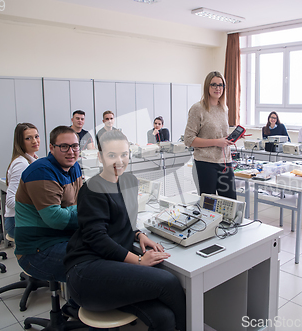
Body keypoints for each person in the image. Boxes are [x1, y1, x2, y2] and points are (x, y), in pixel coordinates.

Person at [64, 130, 186, 331]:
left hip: (112, 266)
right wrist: (138, 260)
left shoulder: (129, 182)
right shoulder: (92, 189)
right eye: (112, 155)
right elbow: (97, 238)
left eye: (124, 154)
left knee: (163, 317)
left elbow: (125, 221)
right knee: (168, 282)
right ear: (100, 156)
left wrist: (139, 235)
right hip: (87, 272)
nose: (119, 161)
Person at [14, 125, 82, 283]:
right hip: (37, 249)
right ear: (51, 148)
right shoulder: (41, 171)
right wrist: (91, 213)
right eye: (64, 147)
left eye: (74, 146)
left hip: (64, 235)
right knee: (96, 260)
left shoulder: (74, 166)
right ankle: (74, 307)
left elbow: (82, 202)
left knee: (109, 245)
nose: (71, 152)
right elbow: (56, 219)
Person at [184, 71, 236, 199]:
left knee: (231, 203)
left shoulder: (224, 108)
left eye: (221, 85)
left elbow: (219, 133)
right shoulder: (197, 108)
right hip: (205, 163)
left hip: (225, 162)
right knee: (209, 205)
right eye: (214, 85)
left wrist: (232, 137)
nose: (218, 88)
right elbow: (188, 140)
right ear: (207, 86)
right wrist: (217, 142)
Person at [4, 123, 40, 239]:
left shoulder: (33, 159)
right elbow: (10, 201)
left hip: (24, 218)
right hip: (16, 222)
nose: (35, 141)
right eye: (28, 138)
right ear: (20, 141)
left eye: (36, 136)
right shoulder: (21, 164)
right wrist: (38, 205)